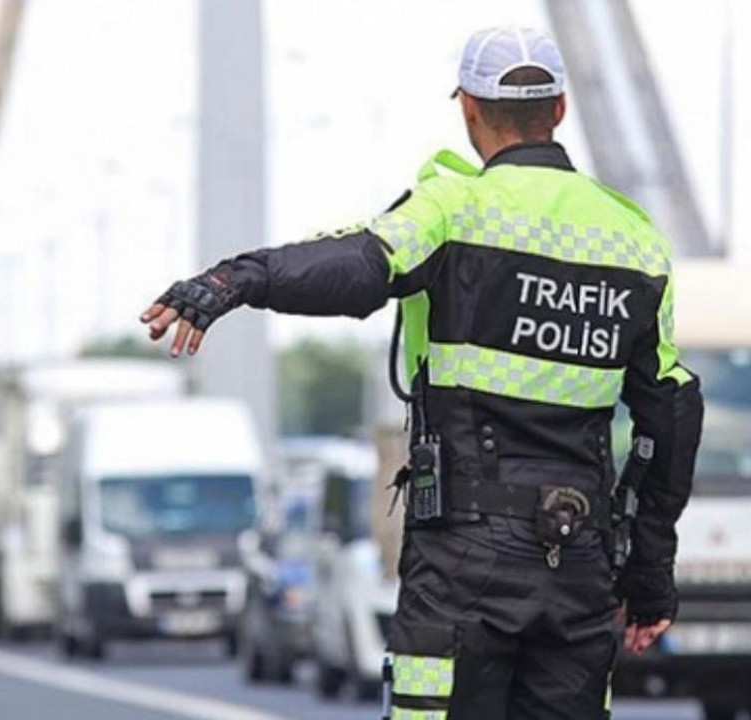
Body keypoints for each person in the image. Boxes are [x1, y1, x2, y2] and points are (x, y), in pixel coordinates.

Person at [141, 27, 703, 720]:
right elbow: (672, 415)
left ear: (468, 107)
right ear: (559, 109)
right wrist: (648, 577)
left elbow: (354, 267)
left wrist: (234, 280)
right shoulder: (635, 241)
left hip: (463, 563)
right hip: (579, 562)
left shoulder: (452, 209)